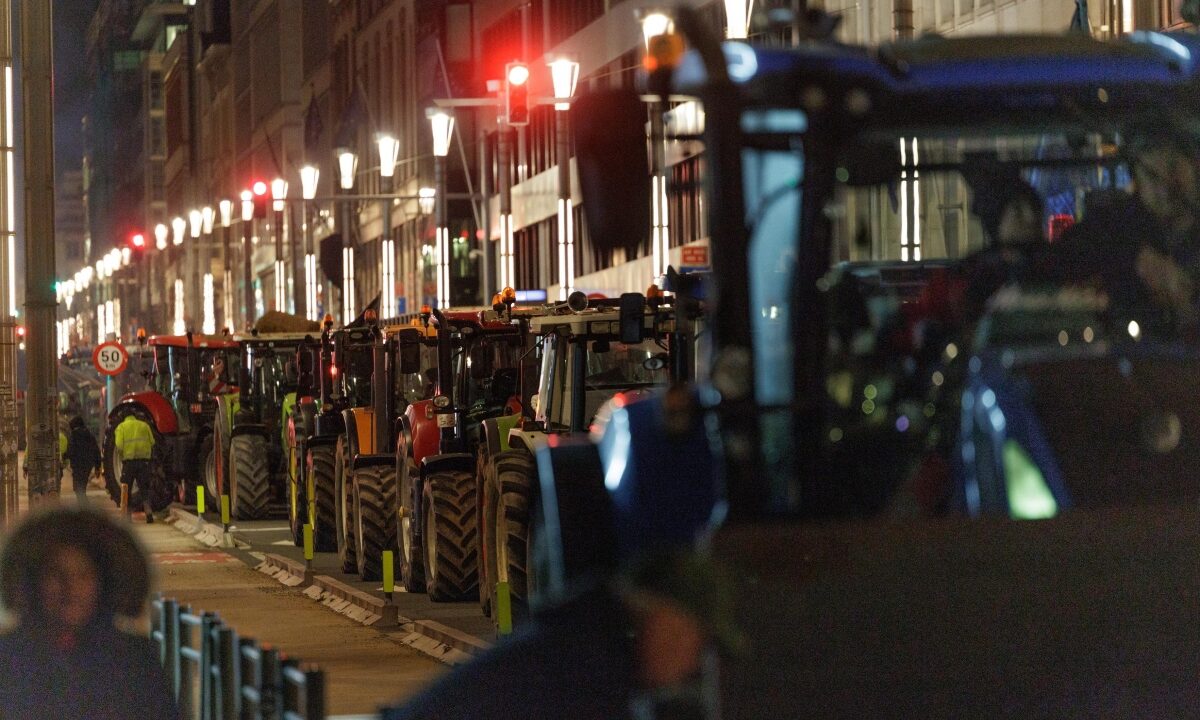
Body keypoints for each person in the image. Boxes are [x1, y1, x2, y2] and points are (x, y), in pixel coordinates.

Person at [0, 506, 179, 719]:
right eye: (57, 574)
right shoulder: (9, 658)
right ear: (33, 581)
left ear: (102, 583)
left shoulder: (133, 660)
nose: (71, 588)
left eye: (83, 575)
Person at [114, 413, 156, 522]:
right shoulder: (144, 426)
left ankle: (127, 517)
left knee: (126, 489)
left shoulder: (121, 427)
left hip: (129, 464)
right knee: (144, 489)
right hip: (143, 463)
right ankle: (149, 513)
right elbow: (152, 442)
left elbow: (118, 445)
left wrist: (123, 455)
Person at [65, 416, 101, 503]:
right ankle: (83, 507)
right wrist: (97, 466)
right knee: (82, 488)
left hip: (77, 465)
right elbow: (96, 450)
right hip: (88, 465)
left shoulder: (74, 435)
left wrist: (64, 457)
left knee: (78, 489)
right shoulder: (89, 435)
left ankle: (84, 508)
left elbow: (71, 450)